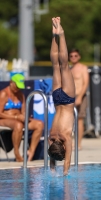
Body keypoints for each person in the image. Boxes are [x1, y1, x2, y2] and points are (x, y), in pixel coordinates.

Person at [48, 17, 75, 176]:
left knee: (64, 66)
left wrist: (64, 174)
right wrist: (52, 167)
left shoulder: (65, 137)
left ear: (63, 147)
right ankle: (54, 35)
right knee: (56, 65)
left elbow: (68, 161)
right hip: (57, 98)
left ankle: (61, 34)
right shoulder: (51, 137)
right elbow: (52, 151)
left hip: (68, 100)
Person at [0, 73, 44, 162]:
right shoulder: (3, 94)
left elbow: (23, 111)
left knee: (39, 124)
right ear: (11, 82)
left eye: (19, 86)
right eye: (16, 86)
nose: (18, 88)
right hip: (4, 119)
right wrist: (16, 117)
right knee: (18, 125)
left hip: (18, 119)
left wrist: (25, 117)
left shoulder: (20, 95)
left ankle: (30, 153)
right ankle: (17, 153)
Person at [69, 49, 89, 150]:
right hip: (71, 97)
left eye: (75, 56)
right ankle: (71, 142)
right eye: (71, 56)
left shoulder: (83, 68)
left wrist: (80, 97)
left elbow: (85, 83)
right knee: (70, 120)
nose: (73, 58)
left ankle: (78, 144)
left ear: (79, 57)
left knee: (79, 120)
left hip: (80, 95)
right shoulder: (69, 69)